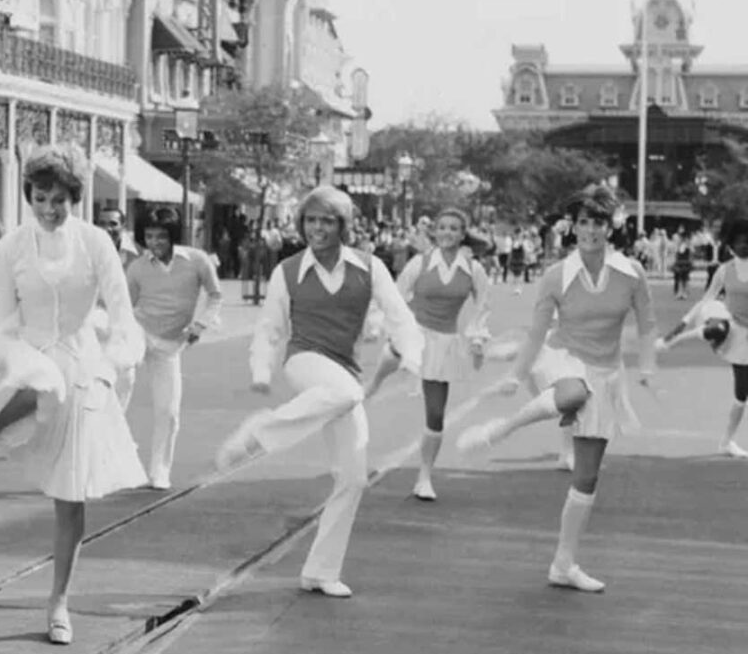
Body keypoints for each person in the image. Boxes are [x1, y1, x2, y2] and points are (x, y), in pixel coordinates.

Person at [0, 145, 146, 644]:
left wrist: (117, 358)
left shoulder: (96, 243)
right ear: (28, 197)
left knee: (69, 497)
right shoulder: (11, 248)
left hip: (81, 361)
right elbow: (4, 320)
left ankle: (58, 602)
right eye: (40, 198)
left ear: (75, 198)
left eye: (59, 200)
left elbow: (121, 314)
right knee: (47, 376)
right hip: (29, 358)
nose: (49, 209)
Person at [214, 186, 424, 598]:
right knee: (350, 394)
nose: (318, 228)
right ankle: (260, 433)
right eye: (311, 220)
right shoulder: (288, 271)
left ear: (343, 226)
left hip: (344, 369)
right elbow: (271, 327)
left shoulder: (370, 267)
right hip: (305, 360)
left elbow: (400, 317)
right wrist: (261, 368)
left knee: (354, 477)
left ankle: (320, 571)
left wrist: (413, 359)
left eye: (327, 221)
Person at [456, 184, 657, 593]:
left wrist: (647, 366)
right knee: (572, 394)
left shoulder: (631, 273)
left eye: (598, 222)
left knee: (586, 478)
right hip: (562, 357)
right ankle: (502, 429)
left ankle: (563, 564)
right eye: (584, 222)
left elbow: (648, 324)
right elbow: (534, 334)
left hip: (607, 372)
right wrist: (516, 373)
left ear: (611, 227)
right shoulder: (555, 276)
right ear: (573, 227)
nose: (591, 231)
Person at [394, 207, 490, 501]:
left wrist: (477, 339)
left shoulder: (473, 270)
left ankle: (424, 475)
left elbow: (482, 308)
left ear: (463, 235)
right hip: (412, 338)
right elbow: (395, 297)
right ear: (434, 232)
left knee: (435, 413)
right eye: (442, 227)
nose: (447, 233)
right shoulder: (418, 263)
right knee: (368, 387)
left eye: (454, 228)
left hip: (443, 344)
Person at [124, 206, 223, 489]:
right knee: (122, 376)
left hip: (170, 344)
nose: (155, 243)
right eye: (149, 237)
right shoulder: (137, 268)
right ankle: (115, 442)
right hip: (138, 332)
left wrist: (200, 325)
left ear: (173, 236)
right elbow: (125, 307)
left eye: (161, 237)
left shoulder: (197, 261)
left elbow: (216, 296)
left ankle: (159, 472)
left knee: (168, 410)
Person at [657, 213, 748, 457]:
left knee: (742, 394)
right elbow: (703, 302)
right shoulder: (724, 271)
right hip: (733, 329)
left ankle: (726, 441)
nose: (744, 244)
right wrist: (680, 325)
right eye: (739, 240)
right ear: (730, 243)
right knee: (742, 390)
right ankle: (672, 341)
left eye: (747, 239)